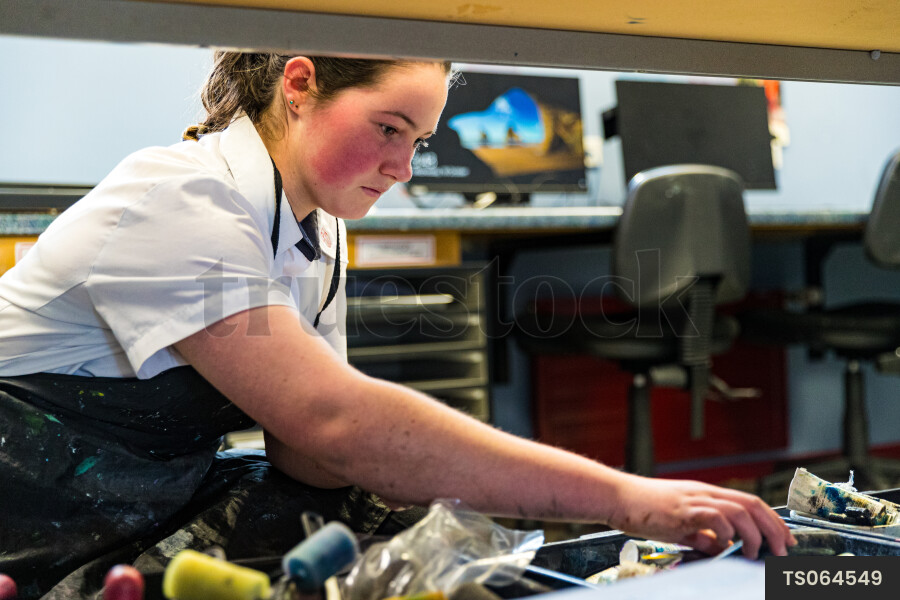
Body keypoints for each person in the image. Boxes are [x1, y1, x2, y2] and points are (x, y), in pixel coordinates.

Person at [0, 52, 795, 598]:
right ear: (299, 84)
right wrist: (626, 499)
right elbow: (335, 422)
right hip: (34, 540)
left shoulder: (317, 226)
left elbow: (311, 460)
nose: (404, 168)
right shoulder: (177, 200)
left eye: (419, 141)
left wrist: (401, 513)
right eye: (388, 128)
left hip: (139, 510)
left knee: (428, 533)